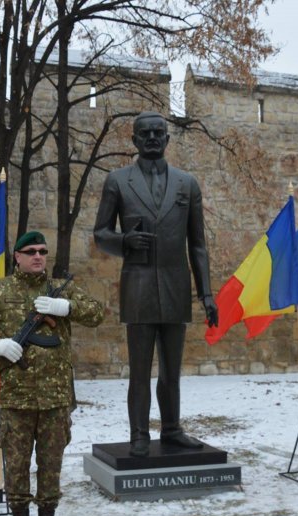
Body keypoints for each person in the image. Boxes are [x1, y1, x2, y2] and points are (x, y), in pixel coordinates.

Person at [0, 230, 104, 516]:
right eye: (31, 251)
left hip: (56, 400)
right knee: (17, 467)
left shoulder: (57, 290)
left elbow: (97, 312)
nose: (38, 256)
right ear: (18, 257)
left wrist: (65, 307)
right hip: (17, 400)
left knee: (50, 467)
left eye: (43, 251)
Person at [92, 111, 219, 458]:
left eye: (158, 133)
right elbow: (100, 234)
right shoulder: (118, 181)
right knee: (139, 370)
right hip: (138, 286)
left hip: (175, 286)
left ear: (167, 139)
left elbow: (197, 245)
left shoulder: (186, 183)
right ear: (133, 140)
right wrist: (124, 242)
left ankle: (173, 428)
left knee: (172, 369)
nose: (151, 138)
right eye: (144, 133)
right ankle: (139, 433)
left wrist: (206, 293)